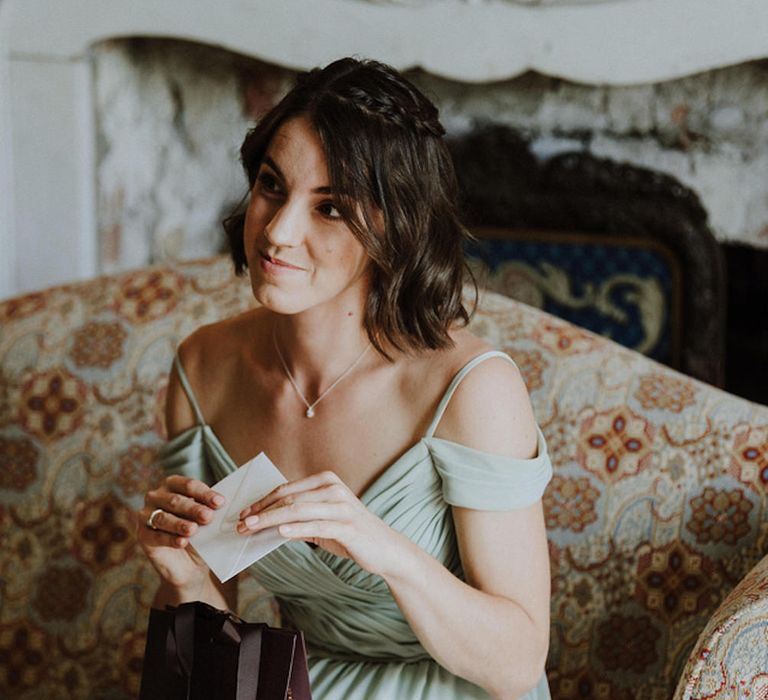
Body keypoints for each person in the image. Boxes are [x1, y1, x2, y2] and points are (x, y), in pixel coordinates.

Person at [137, 57, 552, 700]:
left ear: (394, 229)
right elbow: (214, 651)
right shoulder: (203, 370)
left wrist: (384, 550)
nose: (277, 231)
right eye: (273, 185)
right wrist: (185, 580)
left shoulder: (472, 390)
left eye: (330, 208)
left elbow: (519, 662)